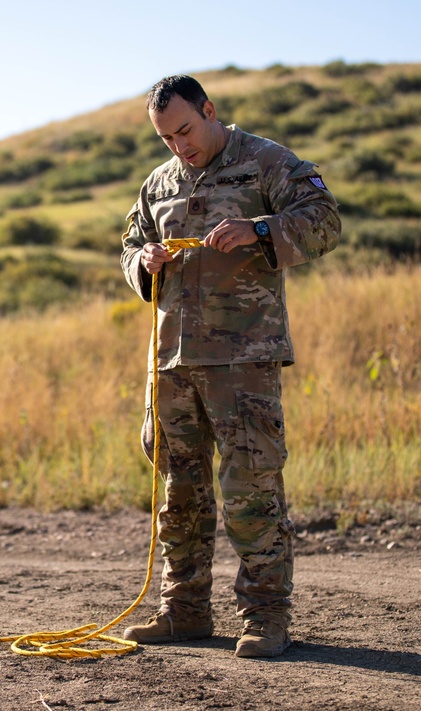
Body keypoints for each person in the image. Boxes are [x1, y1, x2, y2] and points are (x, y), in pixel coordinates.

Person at [120, 75, 340, 658]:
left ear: (210, 111)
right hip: (172, 363)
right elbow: (129, 245)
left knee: (251, 488)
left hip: (243, 360)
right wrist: (144, 261)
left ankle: (266, 617)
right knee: (178, 491)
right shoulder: (159, 183)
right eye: (166, 138)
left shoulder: (265, 161)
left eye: (186, 131)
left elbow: (324, 219)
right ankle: (183, 610)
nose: (179, 146)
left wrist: (260, 229)